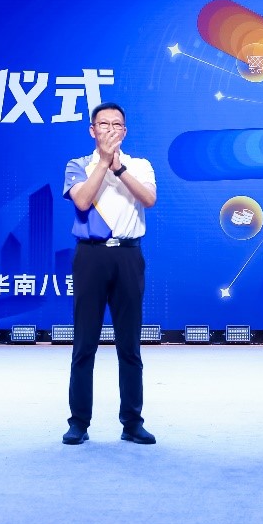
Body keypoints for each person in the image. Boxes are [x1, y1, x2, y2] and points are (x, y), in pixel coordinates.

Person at [60, 102, 158, 446]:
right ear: (92, 130)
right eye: (104, 125)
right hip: (91, 256)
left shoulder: (140, 165)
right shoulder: (78, 165)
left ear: (125, 131)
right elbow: (82, 202)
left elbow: (149, 199)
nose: (110, 130)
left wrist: (120, 169)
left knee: (129, 345)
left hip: (128, 255)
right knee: (84, 343)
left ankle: (132, 422)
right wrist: (103, 163)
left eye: (117, 125)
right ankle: (78, 423)